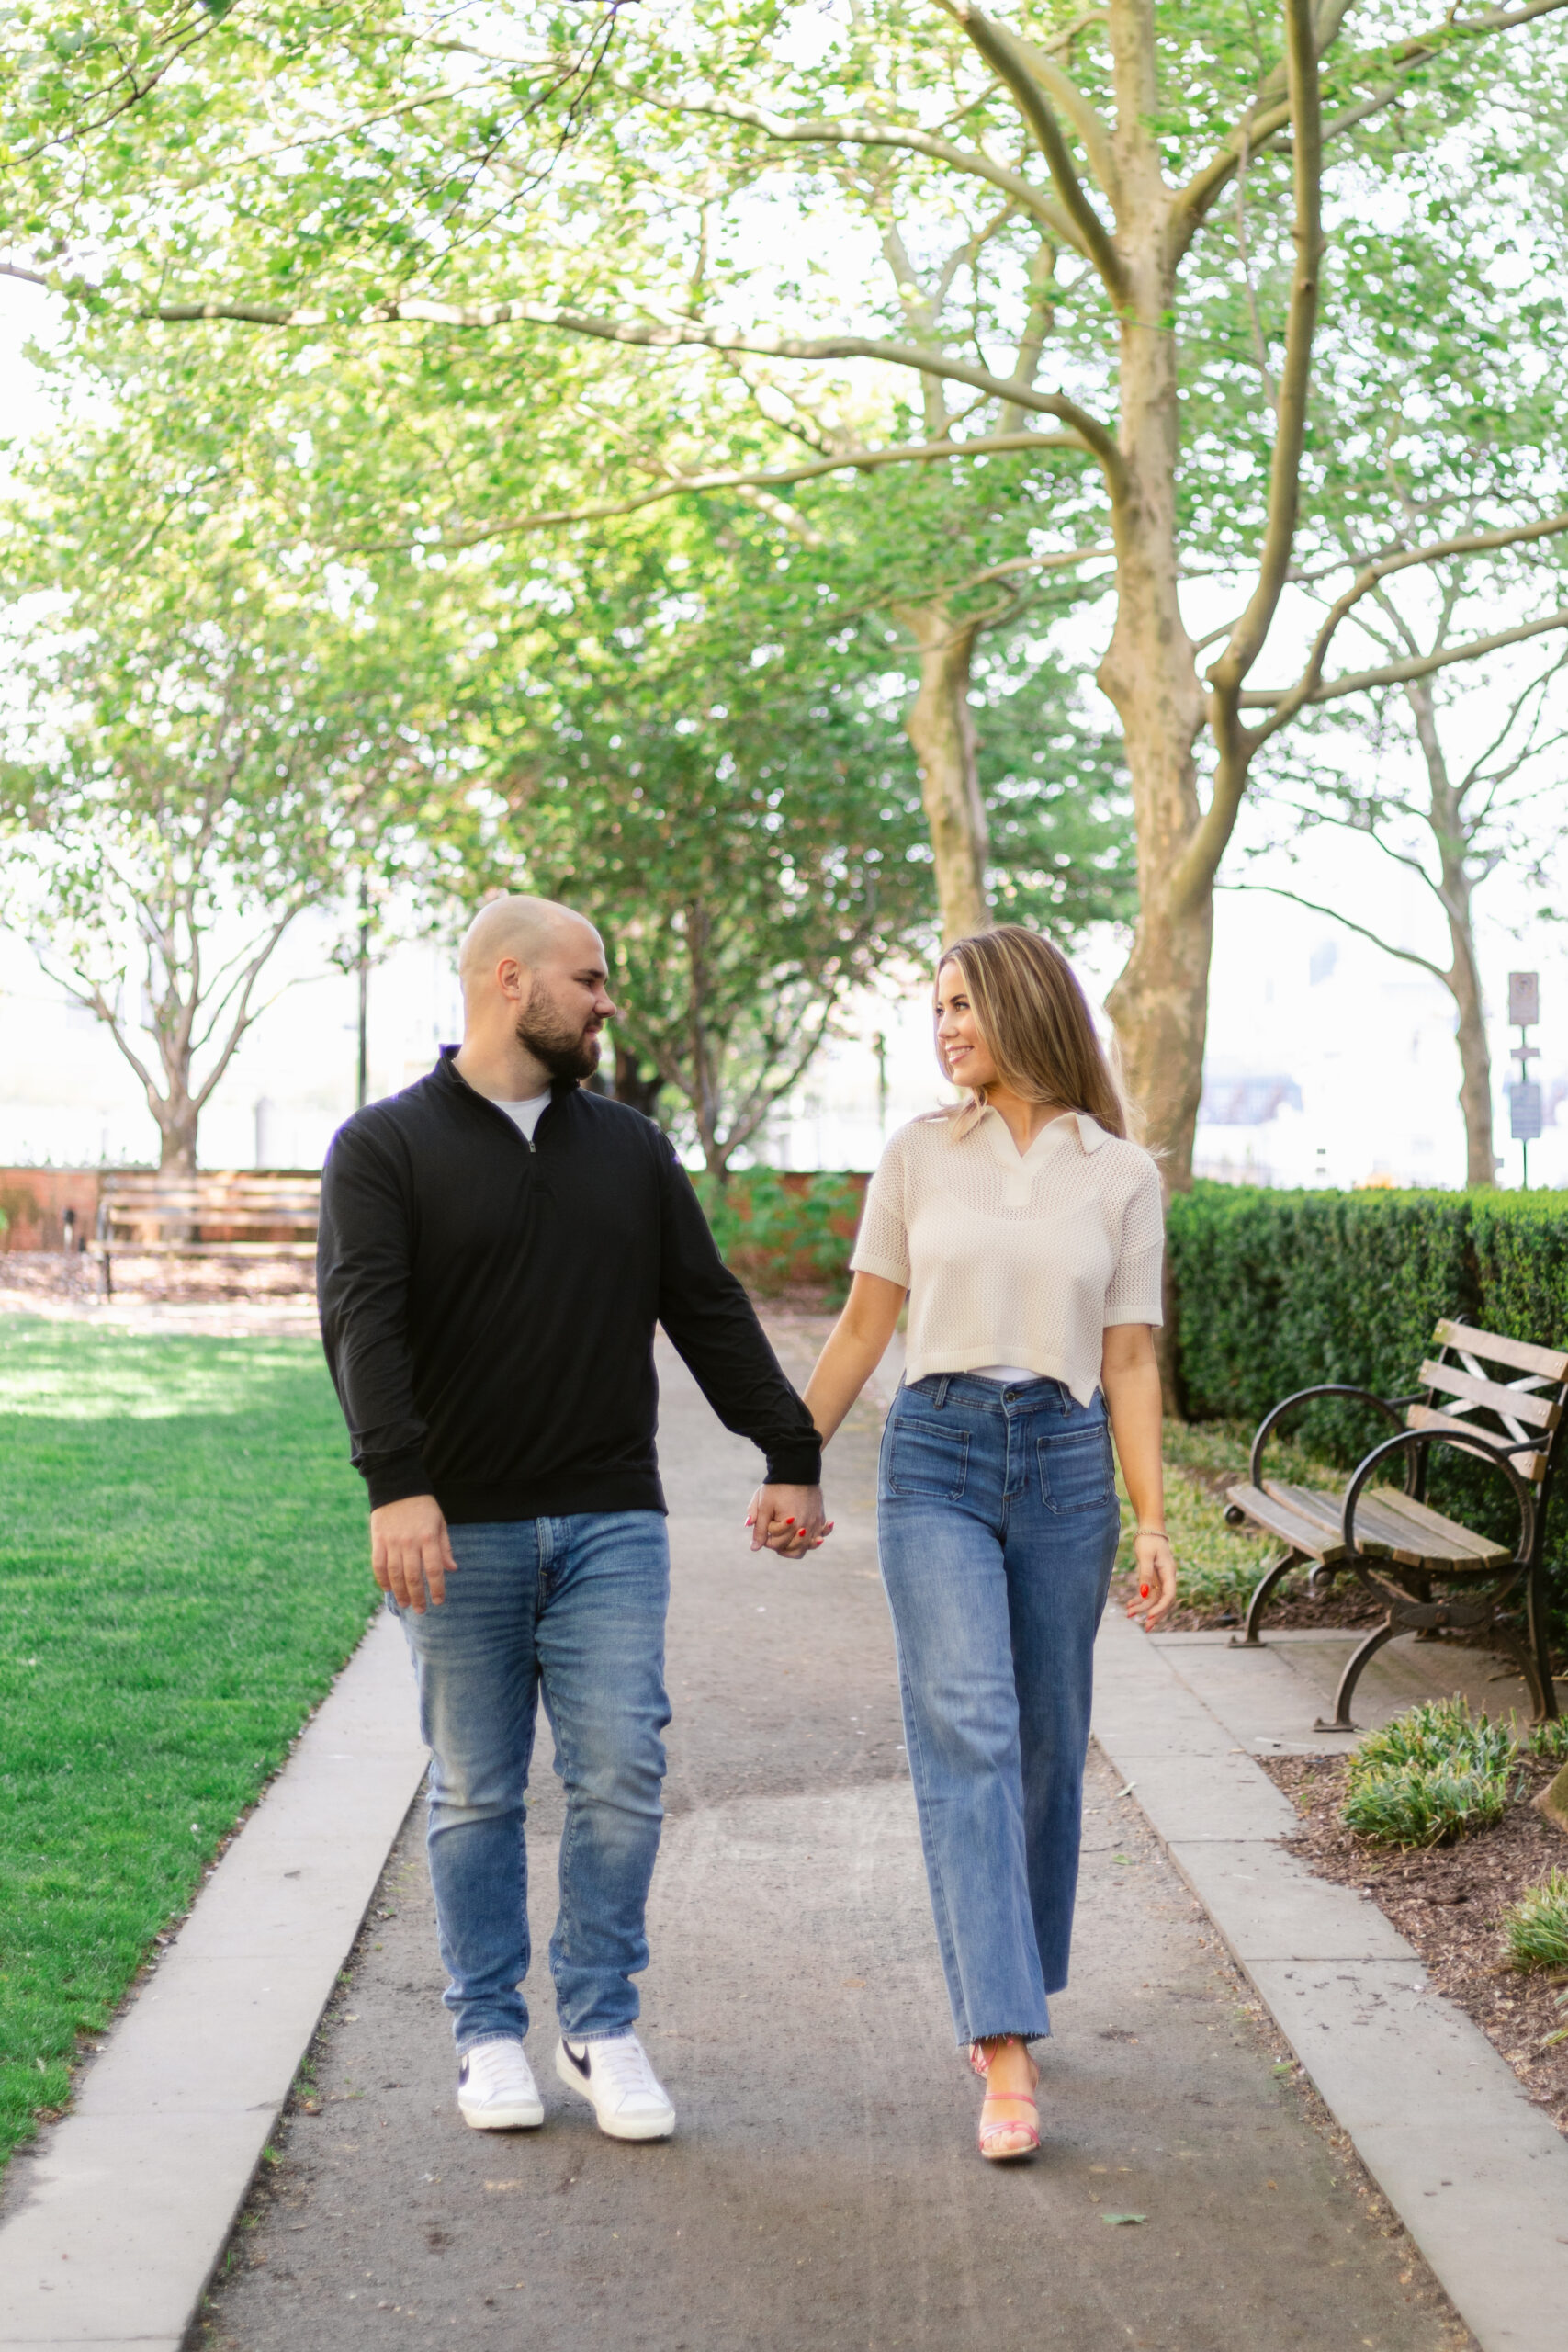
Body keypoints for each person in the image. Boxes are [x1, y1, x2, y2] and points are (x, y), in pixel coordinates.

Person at [316, 895, 829, 2143]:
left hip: (609, 1519)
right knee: (480, 1790)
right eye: (589, 981)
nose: (607, 1003)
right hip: (458, 1527)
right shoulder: (384, 1147)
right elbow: (362, 1324)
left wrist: (792, 1446)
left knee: (621, 1772)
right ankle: (489, 2032)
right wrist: (397, 1483)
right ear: (509, 981)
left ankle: (599, 2025)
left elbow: (704, 1308)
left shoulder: (632, 1150)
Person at [799, 925, 1177, 2162]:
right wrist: (789, 1457)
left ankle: (1013, 1970)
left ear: (1023, 1009)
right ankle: (1004, 2040)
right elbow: (864, 1329)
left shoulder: (1120, 1173)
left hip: (1066, 1464)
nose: (947, 1028)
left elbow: (1127, 1358)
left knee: (1050, 1748)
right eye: (939, 1010)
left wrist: (1156, 1518)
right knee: (969, 1724)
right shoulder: (918, 1156)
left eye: (965, 1006)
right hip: (940, 1456)